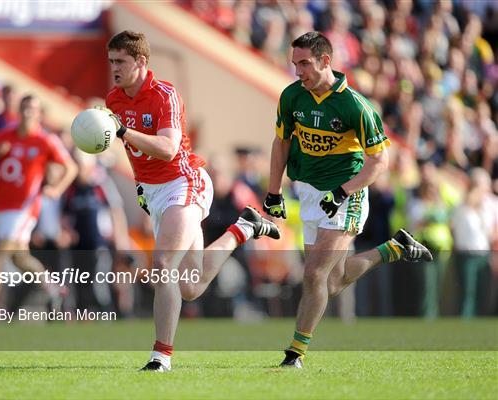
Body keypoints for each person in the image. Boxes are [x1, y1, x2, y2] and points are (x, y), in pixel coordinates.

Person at [102, 30, 280, 372]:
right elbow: (133, 152)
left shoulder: (164, 94)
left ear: (140, 61)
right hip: (155, 194)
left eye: (120, 61)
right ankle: (244, 228)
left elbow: (168, 148)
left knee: (163, 265)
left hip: (185, 182)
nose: (114, 68)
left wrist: (121, 131)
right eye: (111, 61)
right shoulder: (114, 100)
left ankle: (161, 356)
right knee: (190, 286)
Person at [262, 32, 433, 368]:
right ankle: (393, 249)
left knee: (313, 275)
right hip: (309, 193)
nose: (298, 71)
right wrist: (273, 192)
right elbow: (280, 143)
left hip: (345, 193)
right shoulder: (292, 96)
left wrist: (343, 192)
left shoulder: (356, 106)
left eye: (304, 63)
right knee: (332, 281)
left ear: (326, 61)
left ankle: (294, 354)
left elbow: (379, 161)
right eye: (294, 63)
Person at [0, 94, 78, 314]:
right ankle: (53, 288)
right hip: (1, 207)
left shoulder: (45, 140)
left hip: (24, 208)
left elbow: (71, 167)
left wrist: (56, 188)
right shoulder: (4, 136)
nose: (28, 112)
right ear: (18, 111)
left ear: (39, 114)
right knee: (20, 258)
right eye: (25, 108)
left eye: (33, 108)